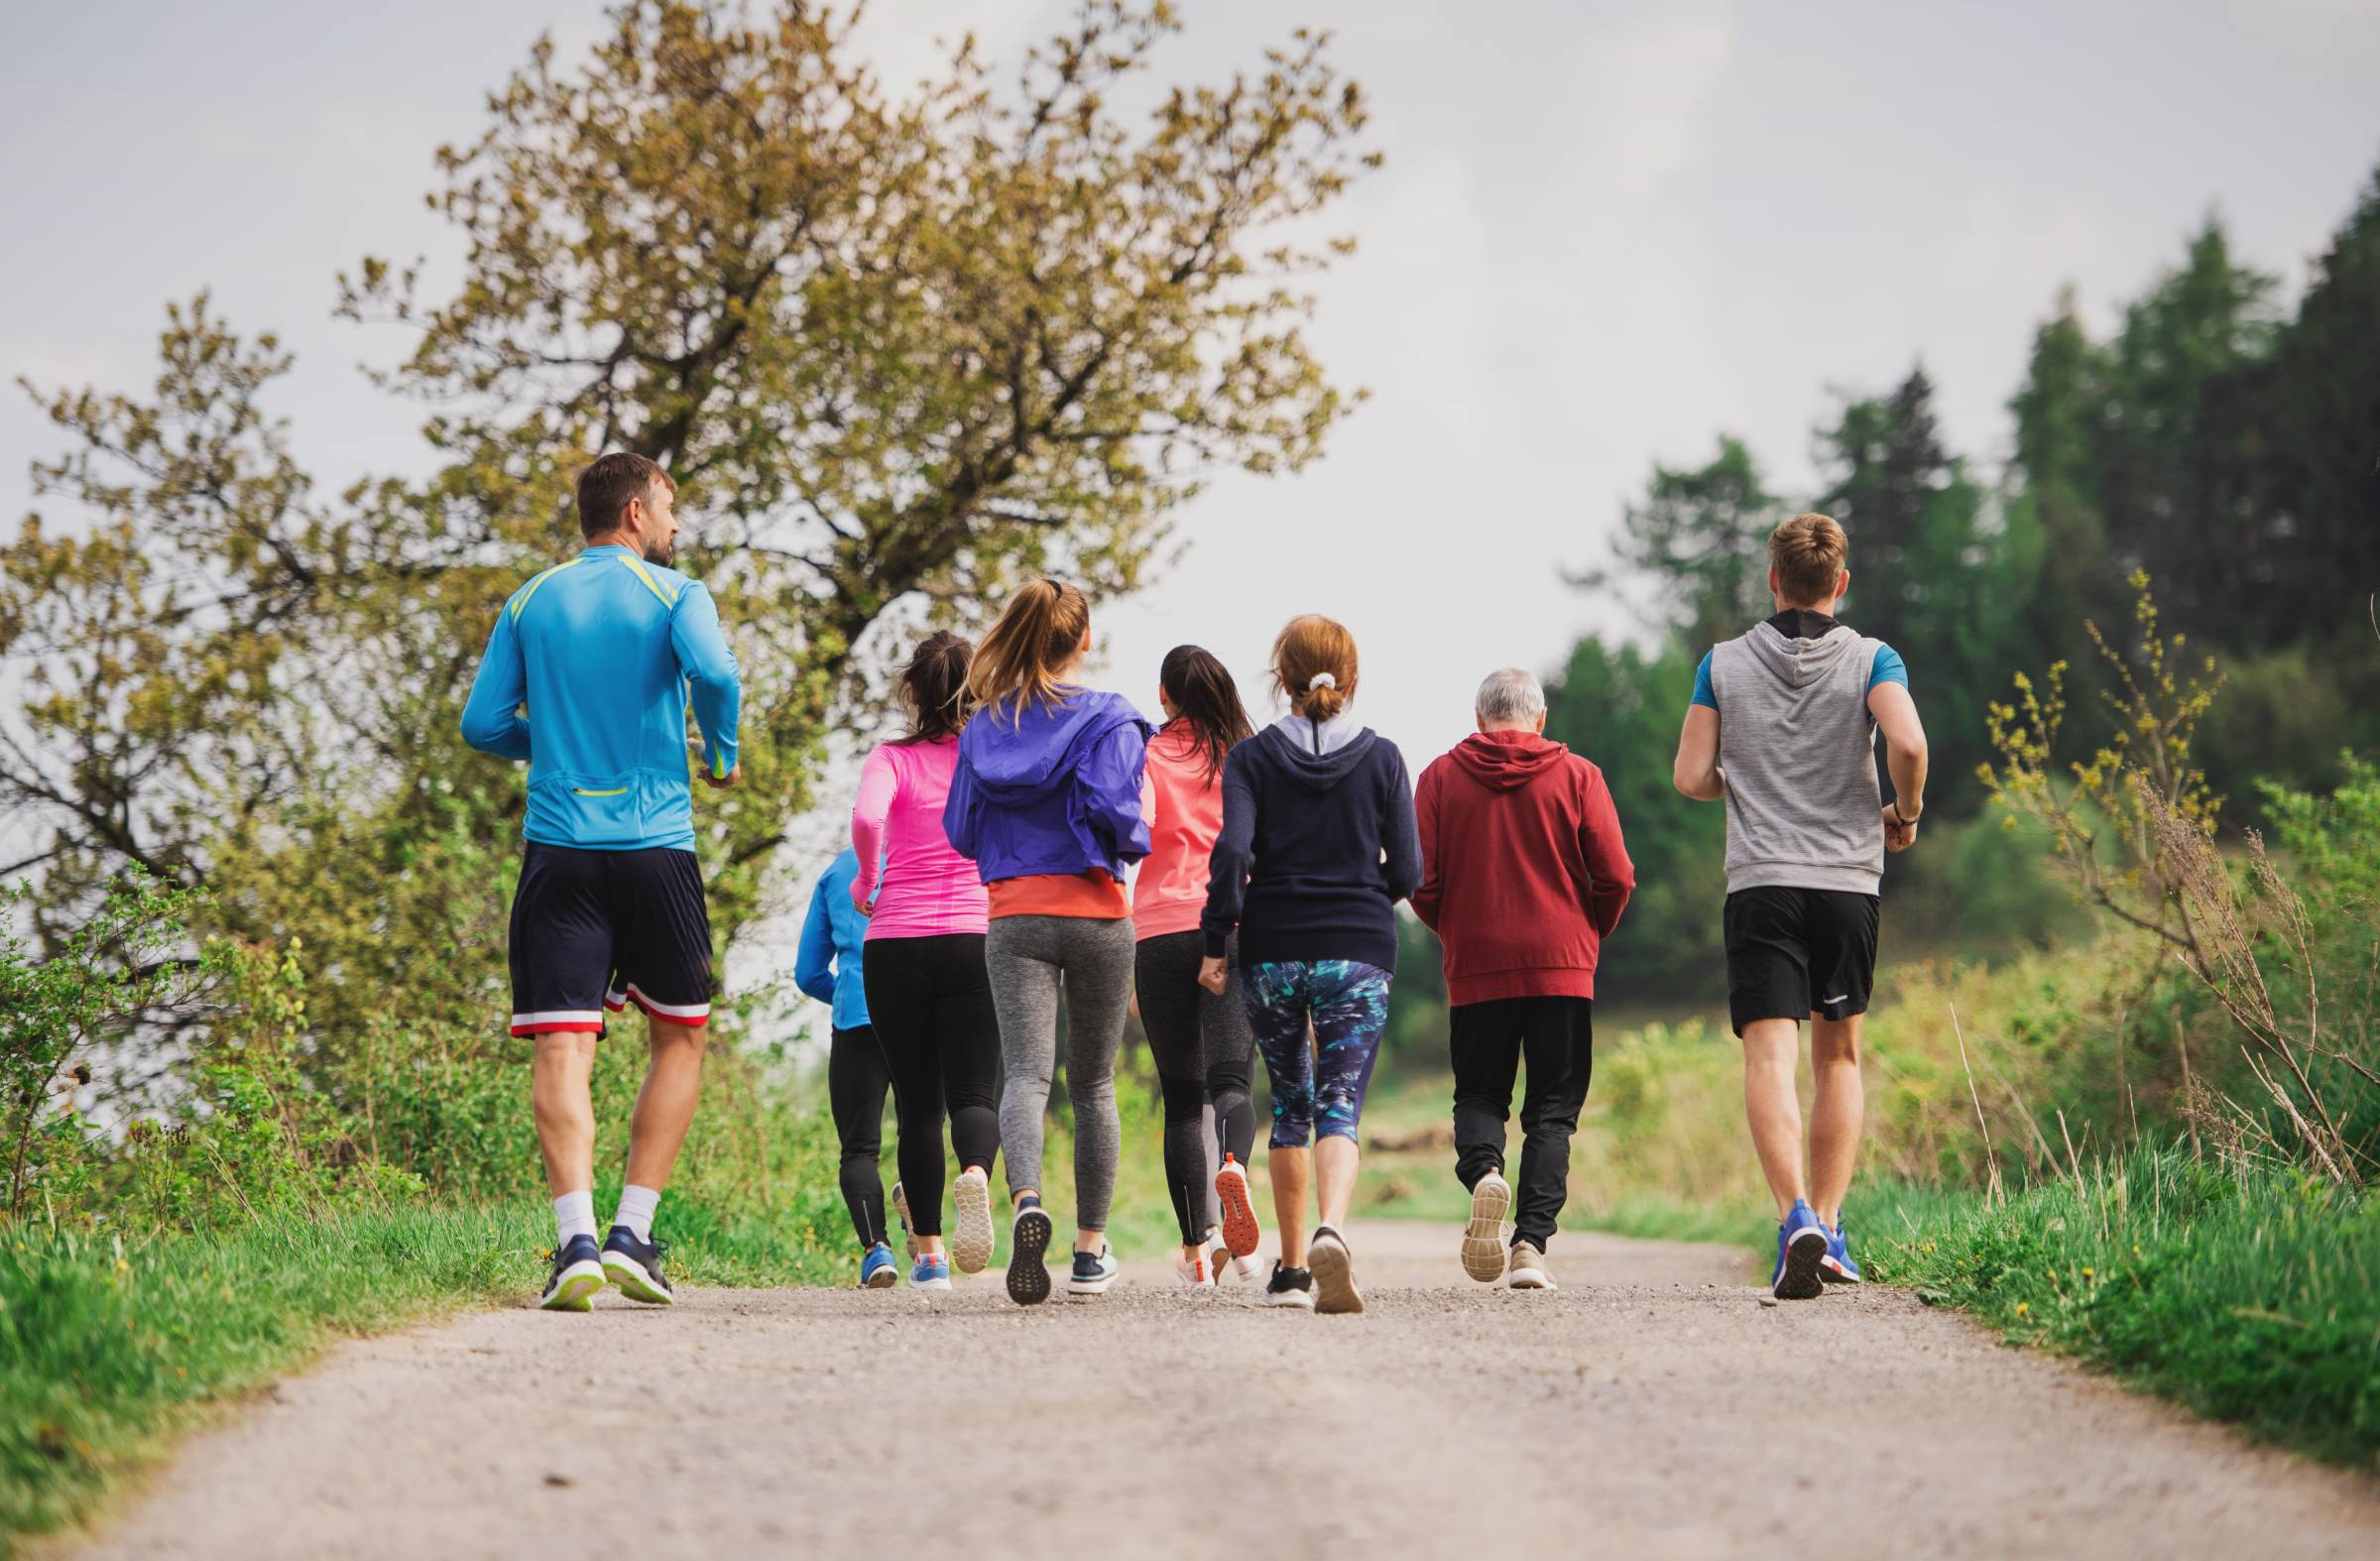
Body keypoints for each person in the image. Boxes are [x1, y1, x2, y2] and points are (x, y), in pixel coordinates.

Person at [460, 451, 740, 1312]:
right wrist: (720, 752)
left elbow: (481, 725)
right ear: (634, 514)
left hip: (560, 850)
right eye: (669, 507)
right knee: (680, 1035)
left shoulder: (529, 600)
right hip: (656, 846)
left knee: (562, 1042)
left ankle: (575, 1242)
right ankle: (633, 1234)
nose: (676, 524)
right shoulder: (677, 594)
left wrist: (550, 743)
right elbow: (717, 675)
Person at [1671, 512, 1928, 1300]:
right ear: (1840, 582)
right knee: (1838, 1057)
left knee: (1768, 1059)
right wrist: (1905, 812)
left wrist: (1743, 781)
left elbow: (1690, 777)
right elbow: (1909, 745)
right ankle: (1832, 1224)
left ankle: (1794, 1221)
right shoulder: (1873, 658)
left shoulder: (1721, 663)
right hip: (1847, 882)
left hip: (1762, 883)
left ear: (1773, 580)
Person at [1200, 614, 1420, 1315]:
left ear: (1280, 678)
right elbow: (1410, 870)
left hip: (1272, 949)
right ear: (1350, 679)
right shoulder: (1383, 758)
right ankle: (1333, 1229)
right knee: (1340, 1103)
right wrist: (1361, 899)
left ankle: (1293, 1272)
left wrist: (1216, 939)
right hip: (1358, 951)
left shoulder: (1251, 759)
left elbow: (1233, 854)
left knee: (1290, 1104)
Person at [944, 579, 1151, 1307]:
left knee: (1026, 1077)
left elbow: (961, 831)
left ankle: (1027, 1202)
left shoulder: (983, 727)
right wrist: (1133, 835)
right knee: (1093, 1084)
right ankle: (1090, 1252)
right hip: (1099, 914)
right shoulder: (1112, 718)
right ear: (1083, 638)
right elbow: (1120, 814)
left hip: (1015, 916)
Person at [1413, 669, 1634, 1292]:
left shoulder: (1439, 778)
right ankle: (1531, 1247)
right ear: (1540, 720)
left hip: (1477, 964)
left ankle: (1486, 1173)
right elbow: (1616, 875)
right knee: (1553, 1112)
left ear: (1479, 718)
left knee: (1480, 1095)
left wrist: (1457, 929)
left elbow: (1420, 881)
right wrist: (1587, 934)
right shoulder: (1580, 776)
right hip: (1561, 963)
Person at [852, 631, 1000, 1291]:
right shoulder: (991, 756)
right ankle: (976, 1173)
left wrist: (867, 880)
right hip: (975, 935)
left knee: (916, 1106)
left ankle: (932, 1257)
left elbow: (866, 820)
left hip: (894, 944)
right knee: (975, 1093)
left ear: (910, 690)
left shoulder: (890, 758)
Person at [1132, 646, 1262, 1286]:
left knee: (1183, 1102)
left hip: (1160, 930)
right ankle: (1233, 1166)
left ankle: (1197, 1251)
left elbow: (1134, 829)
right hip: (1235, 925)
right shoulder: (1248, 757)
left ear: (1165, 694)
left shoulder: (1147, 755)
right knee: (1231, 1081)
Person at [794, 846, 899, 1288]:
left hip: (856, 1018)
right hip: (919, 1017)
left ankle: (877, 1250)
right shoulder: (933, 853)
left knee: (859, 1149)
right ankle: (929, 1242)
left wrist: (845, 992)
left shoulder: (839, 869)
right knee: (921, 1129)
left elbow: (808, 974)